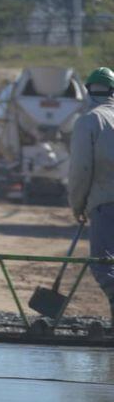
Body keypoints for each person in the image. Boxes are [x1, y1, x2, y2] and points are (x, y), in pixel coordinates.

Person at [68, 66, 114, 324]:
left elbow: (80, 170)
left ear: (87, 91)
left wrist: (78, 205)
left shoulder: (89, 121)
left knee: (103, 265)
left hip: (106, 205)